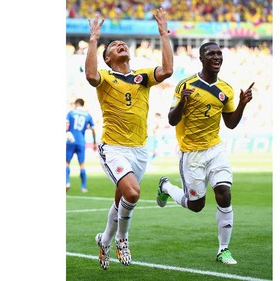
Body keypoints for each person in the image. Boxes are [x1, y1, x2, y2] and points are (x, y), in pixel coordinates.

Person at [85, 8, 173, 270]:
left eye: (122, 43)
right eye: (113, 45)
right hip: (113, 148)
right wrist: (93, 39)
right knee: (132, 193)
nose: (120, 45)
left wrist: (162, 33)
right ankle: (123, 238)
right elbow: (91, 76)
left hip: (140, 149)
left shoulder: (142, 77)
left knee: (120, 199)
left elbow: (167, 70)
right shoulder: (106, 77)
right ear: (108, 58)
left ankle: (104, 240)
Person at [156, 42, 254, 265]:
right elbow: (172, 119)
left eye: (220, 53)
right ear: (201, 58)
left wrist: (242, 105)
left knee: (224, 192)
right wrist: (183, 101)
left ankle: (224, 250)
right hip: (191, 154)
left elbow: (230, 124)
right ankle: (166, 187)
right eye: (211, 53)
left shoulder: (226, 89)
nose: (217, 57)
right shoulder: (186, 85)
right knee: (196, 206)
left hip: (215, 149)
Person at [66, 98, 97, 192]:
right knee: (82, 165)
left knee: (66, 163)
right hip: (81, 142)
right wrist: (95, 143)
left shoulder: (71, 113)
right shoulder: (88, 115)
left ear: (76, 103)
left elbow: (66, 125)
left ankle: (67, 182)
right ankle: (83, 187)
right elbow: (93, 129)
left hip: (70, 141)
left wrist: (67, 132)